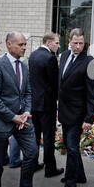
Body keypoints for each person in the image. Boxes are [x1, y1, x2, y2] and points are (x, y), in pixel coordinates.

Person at [0, 32, 40, 187]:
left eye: (25, 44)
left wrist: (25, 112)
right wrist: (12, 117)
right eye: (21, 45)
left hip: (22, 121)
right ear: (9, 45)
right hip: (2, 122)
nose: (24, 47)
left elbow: (27, 93)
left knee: (32, 153)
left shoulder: (24, 66)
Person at [58, 28, 94, 187]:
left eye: (81, 43)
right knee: (70, 145)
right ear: (69, 41)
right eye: (75, 43)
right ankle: (80, 175)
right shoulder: (65, 56)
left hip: (78, 113)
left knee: (72, 146)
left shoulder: (91, 62)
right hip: (64, 110)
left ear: (85, 43)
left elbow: (93, 94)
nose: (77, 46)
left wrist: (89, 118)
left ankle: (70, 181)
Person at [29, 32, 63, 177]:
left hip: (34, 103)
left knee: (35, 136)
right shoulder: (50, 58)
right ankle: (50, 168)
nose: (58, 45)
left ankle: (33, 163)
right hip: (47, 104)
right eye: (56, 43)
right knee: (48, 137)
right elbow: (54, 84)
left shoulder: (33, 55)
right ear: (48, 43)